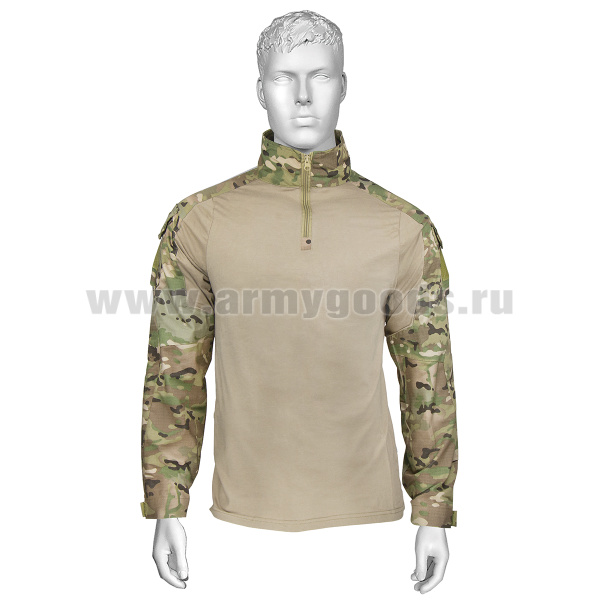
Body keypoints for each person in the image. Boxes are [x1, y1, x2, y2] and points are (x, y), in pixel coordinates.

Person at [140, 9, 458, 593]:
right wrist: (166, 506)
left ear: (345, 85)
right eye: (285, 77)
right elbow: (173, 375)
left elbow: (428, 380)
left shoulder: (401, 226)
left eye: (321, 75)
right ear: (260, 90)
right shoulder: (201, 221)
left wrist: (433, 513)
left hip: (370, 525)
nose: (304, 96)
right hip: (238, 525)